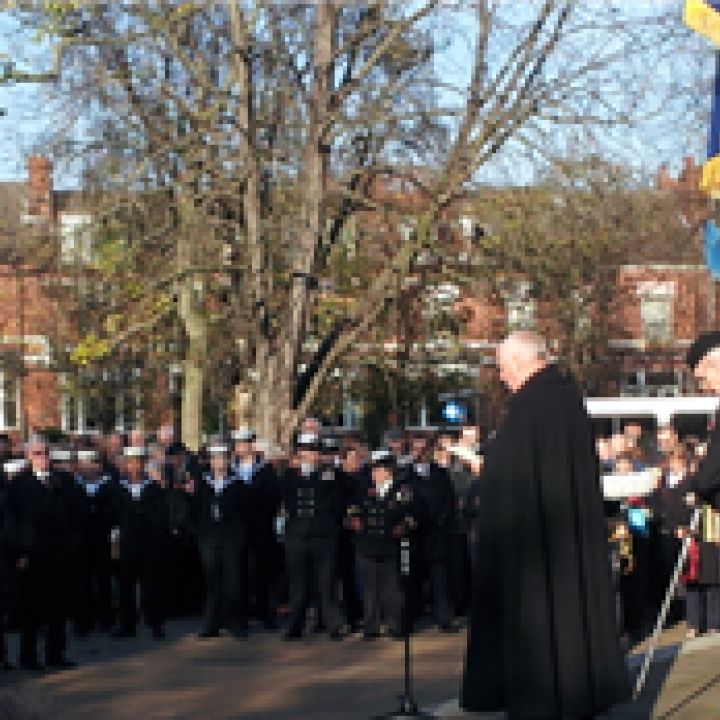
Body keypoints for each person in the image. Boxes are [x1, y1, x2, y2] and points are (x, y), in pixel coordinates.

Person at [460, 331, 629, 719]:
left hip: (535, 547)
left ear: (521, 361)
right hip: (564, 539)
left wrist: (483, 467)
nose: (502, 377)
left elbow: (512, 468)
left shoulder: (531, 406)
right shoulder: (567, 399)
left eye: (503, 368)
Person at [4, 435, 81, 670]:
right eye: (38, 453)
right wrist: (19, 552)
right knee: (32, 609)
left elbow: (76, 513)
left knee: (58, 608)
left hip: (59, 553)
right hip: (32, 555)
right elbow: (12, 521)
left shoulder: (64, 481)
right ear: (28, 457)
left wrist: (73, 544)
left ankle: (56, 654)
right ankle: (29, 657)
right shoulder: (19, 485)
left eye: (46, 452)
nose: (43, 458)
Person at [279, 432, 345, 640]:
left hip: (323, 535)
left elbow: (338, 499)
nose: (311, 455)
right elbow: (285, 498)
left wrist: (325, 472)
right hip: (297, 535)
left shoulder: (329, 474)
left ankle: (332, 624)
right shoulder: (290, 475)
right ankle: (295, 625)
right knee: (298, 583)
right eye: (307, 450)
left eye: (315, 451)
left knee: (326, 582)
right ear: (300, 452)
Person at [347, 449, 419, 639]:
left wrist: (404, 526)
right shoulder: (364, 488)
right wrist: (354, 519)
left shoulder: (402, 490)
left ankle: (395, 625)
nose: (375, 473)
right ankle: (371, 626)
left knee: (392, 589)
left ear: (388, 471)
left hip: (390, 545)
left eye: (379, 469)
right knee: (370, 589)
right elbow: (353, 507)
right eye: (373, 470)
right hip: (367, 544)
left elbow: (413, 514)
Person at [112, 445, 169, 640]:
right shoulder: (118, 488)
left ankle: (155, 624)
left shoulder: (153, 488)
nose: (134, 466)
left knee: (152, 585)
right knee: (125, 586)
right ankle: (127, 624)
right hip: (127, 543)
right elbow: (113, 516)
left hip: (149, 544)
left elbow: (161, 516)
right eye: (131, 462)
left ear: (144, 464)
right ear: (126, 465)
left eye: (138, 462)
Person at [197, 439, 250, 639]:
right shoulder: (203, 483)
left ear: (228, 460)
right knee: (212, 582)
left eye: (222, 458)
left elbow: (245, 511)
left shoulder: (237, 484)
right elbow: (197, 510)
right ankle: (211, 623)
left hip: (231, 538)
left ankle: (235, 623)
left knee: (233, 581)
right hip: (209, 538)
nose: (219, 462)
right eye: (215, 458)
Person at [231, 428, 280, 630]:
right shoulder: (231, 470)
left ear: (252, 445)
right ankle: (240, 616)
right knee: (239, 572)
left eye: (245, 443)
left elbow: (273, 498)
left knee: (263, 571)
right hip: (237, 528)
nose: (242, 448)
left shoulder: (266, 470)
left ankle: (266, 613)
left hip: (261, 527)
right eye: (239, 444)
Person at [74, 448, 117, 635]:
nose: (89, 467)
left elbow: (115, 511)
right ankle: (84, 620)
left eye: (93, 463)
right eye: (84, 464)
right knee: (82, 581)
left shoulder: (110, 485)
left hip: (103, 538)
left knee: (104, 580)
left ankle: (106, 618)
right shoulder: (73, 486)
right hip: (81, 540)